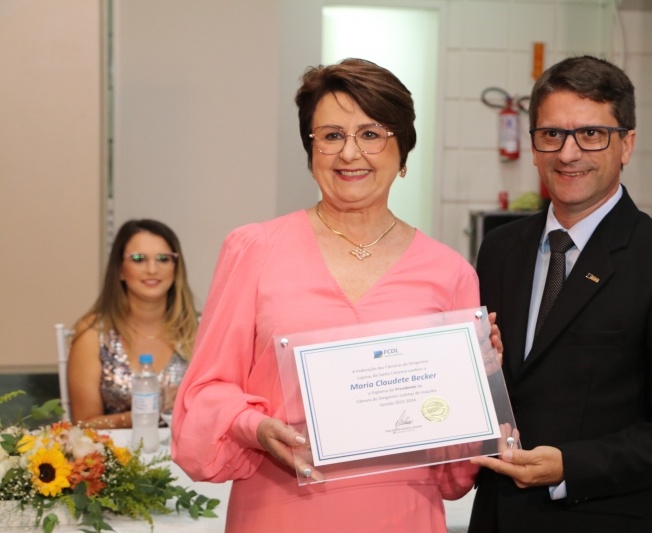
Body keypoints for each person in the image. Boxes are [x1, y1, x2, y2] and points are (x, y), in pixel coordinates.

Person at [171, 58, 495, 533]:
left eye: (371, 134)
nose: (349, 153)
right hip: (279, 511)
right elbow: (203, 393)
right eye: (331, 135)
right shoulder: (254, 250)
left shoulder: (450, 272)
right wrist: (252, 426)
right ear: (311, 150)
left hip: (402, 514)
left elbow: (456, 468)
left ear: (403, 150)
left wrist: (479, 380)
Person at [468, 55, 652, 533]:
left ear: (626, 144)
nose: (568, 153)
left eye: (591, 134)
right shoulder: (499, 249)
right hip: (497, 518)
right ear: (534, 146)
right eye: (552, 134)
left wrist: (570, 467)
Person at [68, 219, 198, 429]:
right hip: (116, 449)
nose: (152, 269)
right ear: (120, 269)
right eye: (138, 259)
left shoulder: (201, 330)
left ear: (176, 268)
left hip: (186, 449)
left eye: (163, 259)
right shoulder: (93, 332)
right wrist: (150, 411)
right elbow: (84, 425)